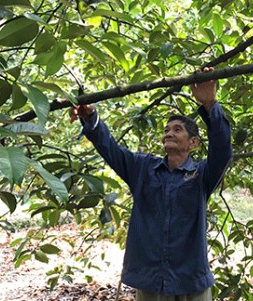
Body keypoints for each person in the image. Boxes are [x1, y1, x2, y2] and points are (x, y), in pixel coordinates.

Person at [70, 67, 232, 301]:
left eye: (177, 130)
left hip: (190, 279)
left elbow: (223, 152)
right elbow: (111, 150)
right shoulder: (143, 168)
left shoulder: (202, 174)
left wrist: (210, 105)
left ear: (193, 142)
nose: (169, 134)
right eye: (166, 130)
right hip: (151, 279)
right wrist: (90, 117)